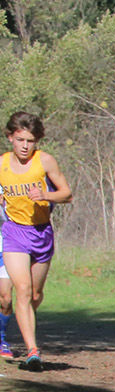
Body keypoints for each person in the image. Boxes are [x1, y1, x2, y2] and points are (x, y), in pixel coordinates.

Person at [0, 112, 72, 370]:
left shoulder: (45, 162)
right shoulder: (2, 164)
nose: (24, 146)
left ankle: (27, 318)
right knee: (23, 289)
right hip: (13, 232)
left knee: (35, 294)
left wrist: (45, 195)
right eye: (20, 139)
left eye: (30, 141)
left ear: (37, 141)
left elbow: (67, 193)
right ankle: (32, 350)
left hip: (41, 233)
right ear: (10, 138)